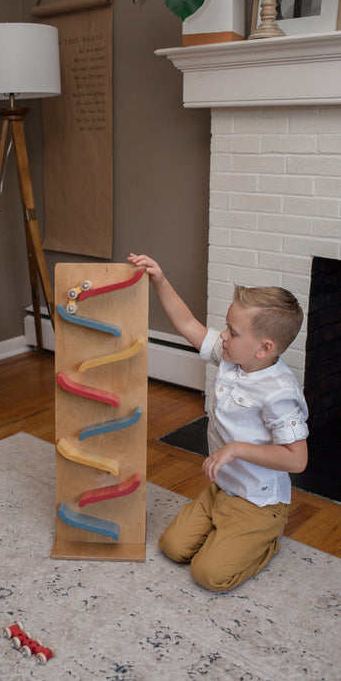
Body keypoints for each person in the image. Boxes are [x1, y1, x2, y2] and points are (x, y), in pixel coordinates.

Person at [128, 253, 309, 592]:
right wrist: (160, 280)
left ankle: (265, 541)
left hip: (258, 504)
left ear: (263, 348)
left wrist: (237, 449)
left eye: (233, 331)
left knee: (209, 575)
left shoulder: (279, 392)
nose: (223, 335)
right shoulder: (232, 357)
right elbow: (187, 325)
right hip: (223, 489)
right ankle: (222, 528)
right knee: (172, 548)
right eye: (227, 327)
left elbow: (298, 459)